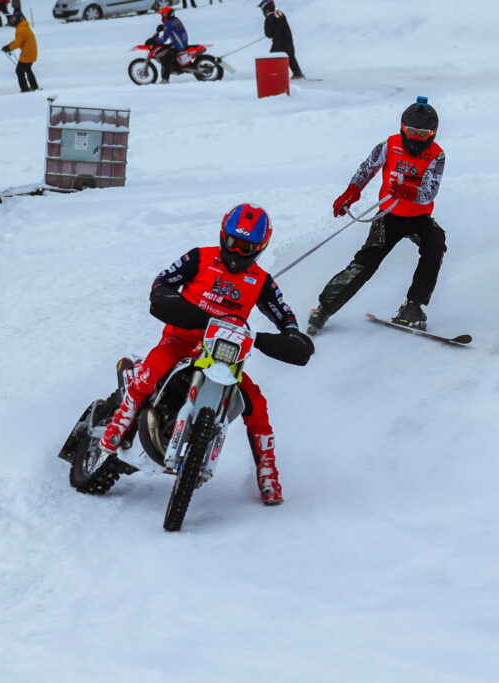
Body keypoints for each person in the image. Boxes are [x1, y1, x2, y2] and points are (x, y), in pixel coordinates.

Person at [96, 204, 314, 505]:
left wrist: (291, 334)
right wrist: (175, 304)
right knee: (153, 369)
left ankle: (267, 471)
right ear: (223, 236)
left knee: (257, 403)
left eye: (246, 246)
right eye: (232, 242)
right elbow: (162, 282)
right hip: (181, 339)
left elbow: (283, 311)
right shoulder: (200, 257)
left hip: (225, 355)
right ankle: (120, 421)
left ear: (260, 248)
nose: (237, 252)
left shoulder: (261, 281)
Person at [307, 97, 446, 335]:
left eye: (422, 133)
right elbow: (366, 168)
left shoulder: (437, 155)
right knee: (367, 262)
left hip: (419, 217)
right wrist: (352, 191)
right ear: (403, 127)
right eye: (411, 131)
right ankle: (324, 307)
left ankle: (413, 306)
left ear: (432, 133)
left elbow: (429, 192)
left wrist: (408, 191)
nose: (415, 138)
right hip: (389, 215)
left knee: (436, 242)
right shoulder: (389, 145)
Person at [259, 0, 304, 80]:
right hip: (289, 42)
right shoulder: (281, 14)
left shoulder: (269, 19)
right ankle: (298, 74)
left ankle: (276, 77)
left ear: (265, 9)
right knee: (291, 57)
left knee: (272, 58)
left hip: (279, 44)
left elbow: (268, 35)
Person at [1, 13, 38, 93]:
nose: (13, 21)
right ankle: (34, 86)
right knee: (27, 69)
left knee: (19, 71)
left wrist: (9, 48)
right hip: (31, 53)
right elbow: (18, 41)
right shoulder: (24, 27)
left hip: (27, 54)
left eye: (14, 20)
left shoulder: (21, 30)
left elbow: (18, 44)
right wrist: (8, 46)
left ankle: (25, 89)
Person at [155, 6, 188, 84]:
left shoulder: (168, 24)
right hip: (183, 42)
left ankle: (165, 79)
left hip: (178, 45)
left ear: (166, 14)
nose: (162, 16)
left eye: (162, 15)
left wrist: (155, 40)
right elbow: (172, 28)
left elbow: (164, 39)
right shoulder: (176, 19)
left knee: (165, 58)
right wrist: (163, 28)